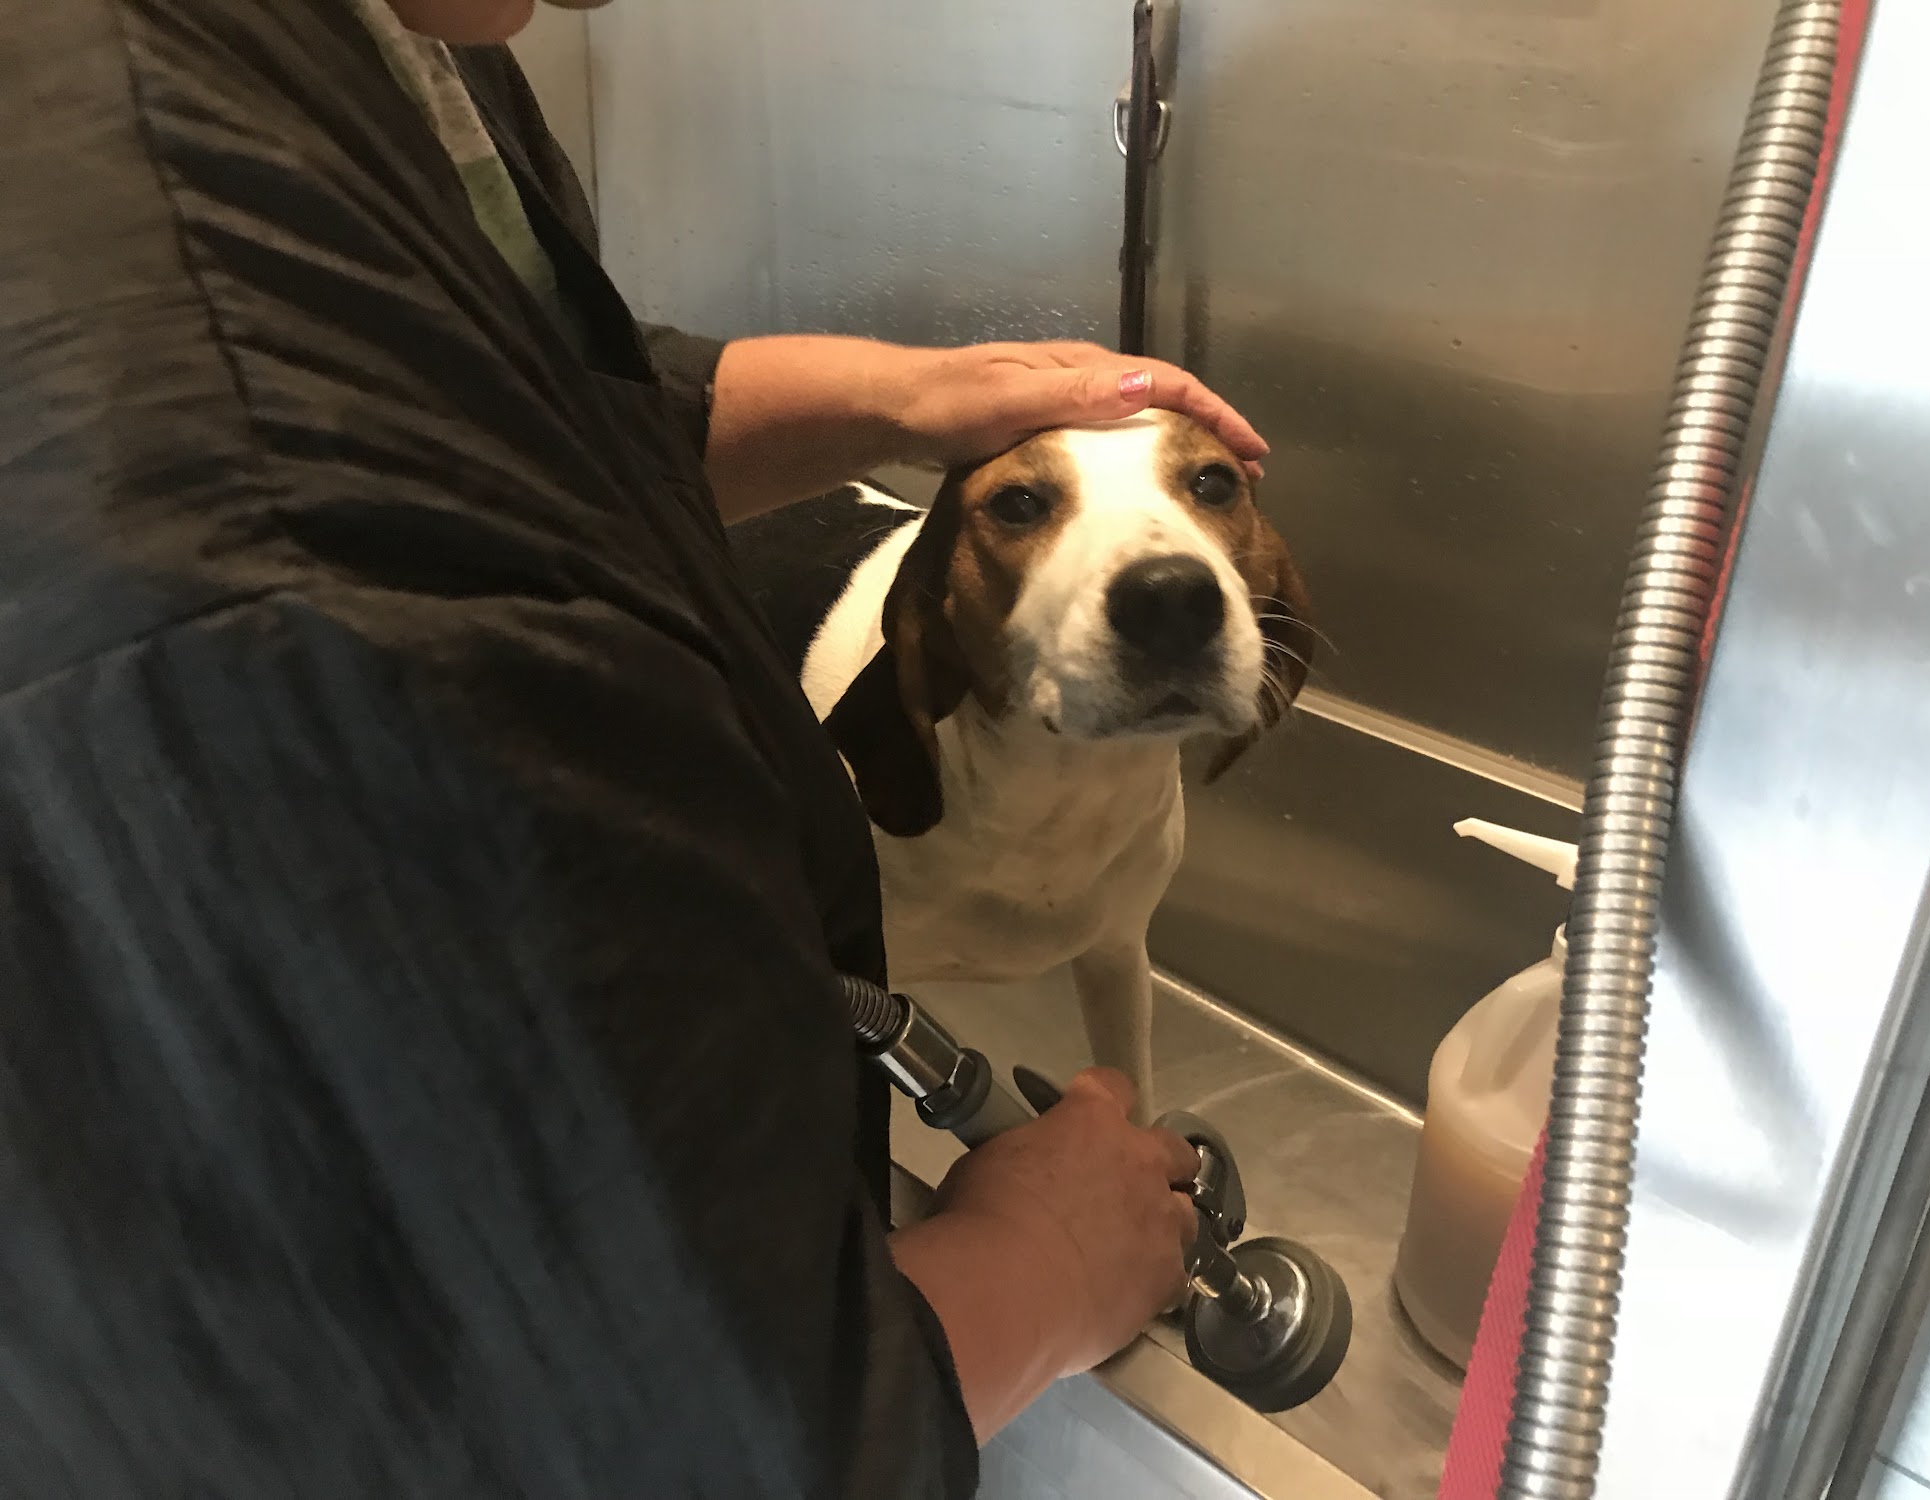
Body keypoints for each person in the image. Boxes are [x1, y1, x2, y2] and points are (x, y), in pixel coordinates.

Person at [0, 1, 1272, 1494]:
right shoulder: (210, 442)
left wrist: (902, 396)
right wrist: (1043, 1262)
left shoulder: (399, 47)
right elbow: (682, 1431)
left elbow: (542, 418)